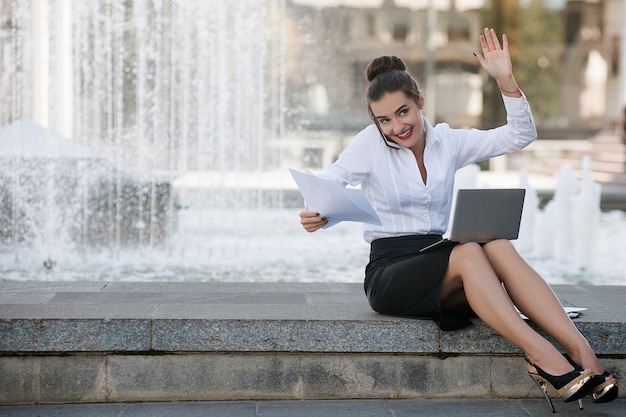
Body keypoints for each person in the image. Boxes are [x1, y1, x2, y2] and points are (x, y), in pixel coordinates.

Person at [298, 28, 618, 410]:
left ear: (420, 102)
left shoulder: (448, 141)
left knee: (495, 241)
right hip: (392, 272)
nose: (396, 127)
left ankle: (583, 354)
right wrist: (318, 212)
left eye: (403, 112)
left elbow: (520, 134)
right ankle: (542, 356)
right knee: (468, 250)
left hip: (444, 259)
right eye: (384, 119)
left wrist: (505, 80)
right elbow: (330, 181)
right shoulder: (368, 144)